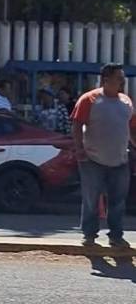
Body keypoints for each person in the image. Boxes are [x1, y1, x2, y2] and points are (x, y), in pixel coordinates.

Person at [70, 63, 136, 248]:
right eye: (119, 78)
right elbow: (76, 125)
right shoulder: (89, 99)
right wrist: (79, 149)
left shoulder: (127, 102)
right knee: (91, 199)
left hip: (120, 159)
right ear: (106, 80)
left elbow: (131, 129)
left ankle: (116, 236)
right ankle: (89, 235)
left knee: (118, 201)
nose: (122, 81)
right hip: (92, 159)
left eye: (122, 78)